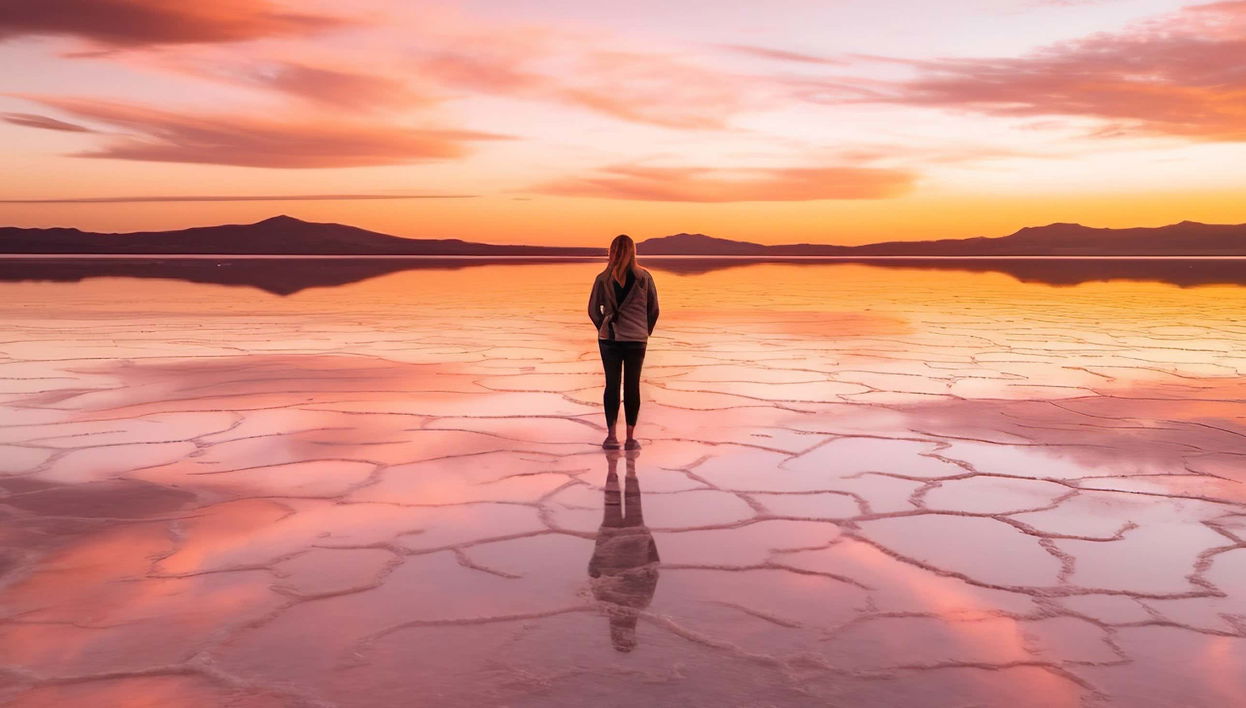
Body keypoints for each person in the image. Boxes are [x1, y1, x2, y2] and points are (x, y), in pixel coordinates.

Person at [587, 234, 659, 450]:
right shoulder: (644, 277)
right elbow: (653, 310)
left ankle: (611, 436)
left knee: (612, 385)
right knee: (632, 386)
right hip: (636, 340)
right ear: (633, 251)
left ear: (611, 252)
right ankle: (629, 438)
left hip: (610, 339)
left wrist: (604, 326)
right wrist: (643, 331)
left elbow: (592, 310)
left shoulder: (602, 278)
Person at [587, 451, 659, 652]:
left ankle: (625, 467)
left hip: (628, 543)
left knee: (628, 501)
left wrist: (650, 543)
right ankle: (621, 467)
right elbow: (594, 573)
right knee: (616, 502)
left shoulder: (636, 603)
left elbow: (652, 571)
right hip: (622, 543)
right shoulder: (621, 604)